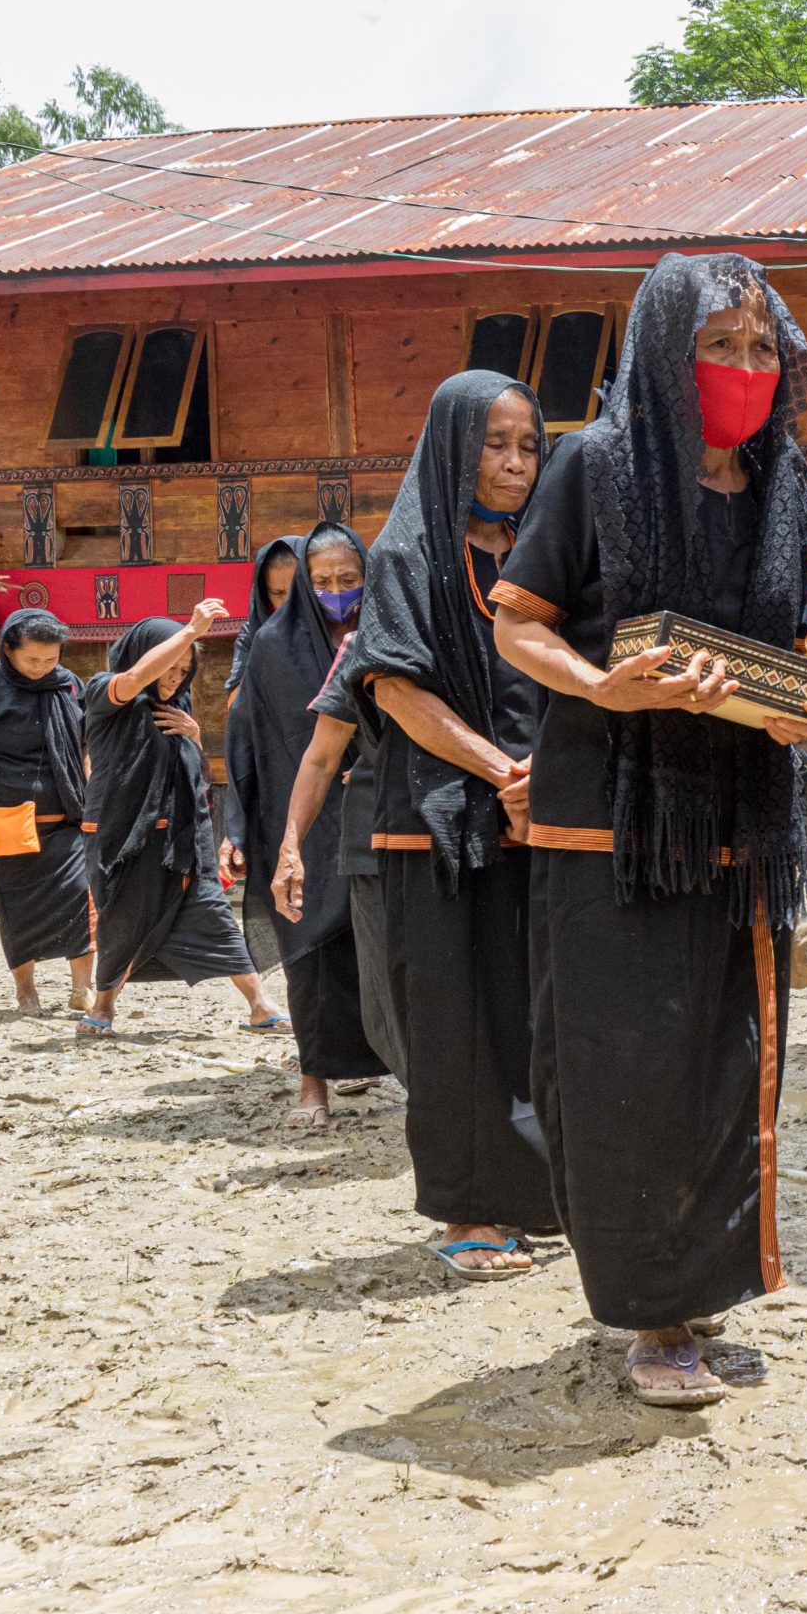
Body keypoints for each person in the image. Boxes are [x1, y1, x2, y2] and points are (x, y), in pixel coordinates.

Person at [491, 252, 807, 1405]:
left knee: (723, 1068)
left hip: (741, 820)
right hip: (610, 820)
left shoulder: (789, 487)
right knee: (626, 1065)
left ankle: (701, 1287)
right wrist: (600, 688)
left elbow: (777, 653)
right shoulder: (594, 465)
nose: (742, 368)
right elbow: (519, 623)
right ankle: (652, 1317)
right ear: (661, 355)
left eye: (758, 348)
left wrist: (801, 703)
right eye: (717, 345)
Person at [346, 369, 557, 1279]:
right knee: (455, 1020)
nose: (513, 465)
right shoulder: (408, 555)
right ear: (450, 448)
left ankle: (529, 1198)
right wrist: (502, 770)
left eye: (527, 446)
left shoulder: (533, 553)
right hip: (434, 822)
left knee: (524, 1013)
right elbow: (395, 688)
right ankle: (469, 1213)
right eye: (493, 445)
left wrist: (542, 778)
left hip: (527, 818)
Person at [226, 521, 391, 1125]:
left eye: (349, 579)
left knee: (377, 945)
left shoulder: (387, 632)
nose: (336, 591)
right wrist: (237, 827)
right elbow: (248, 741)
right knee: (310, 953)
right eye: (322, 582)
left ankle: (380, 1061)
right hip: (299, 819)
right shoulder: (273, 645)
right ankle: (312, 1085)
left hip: (378, 809)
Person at [78, 606, 286, 1037]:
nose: (174, 677)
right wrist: (191, 630)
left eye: (184, 669)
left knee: (212, 913)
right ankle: (102, 1007)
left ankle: (261, 1005)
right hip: (123, 840)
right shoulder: (106, 693)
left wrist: (193, 736)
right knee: (123, 922)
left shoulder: (179, 710)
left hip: (181, 841)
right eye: (169, 666)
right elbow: (134, 680)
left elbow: (198, 778)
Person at [0, 611, 94, 1014]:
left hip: (68, 819)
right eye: (33, 660)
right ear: (7, 649)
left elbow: (84, 749)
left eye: (50, 659)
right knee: (16, 910)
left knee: (82, 900)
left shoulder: (68, 686)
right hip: (7, 822)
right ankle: (26, 991)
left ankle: (82, 987)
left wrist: (94, 796)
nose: (42, 668)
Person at [226, 534, 304, 702]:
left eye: (295, 590)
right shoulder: (252, 634)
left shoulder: (332, 625)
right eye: (277, 593)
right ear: (264, 594)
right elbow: (236, 701)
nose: (287, 602)